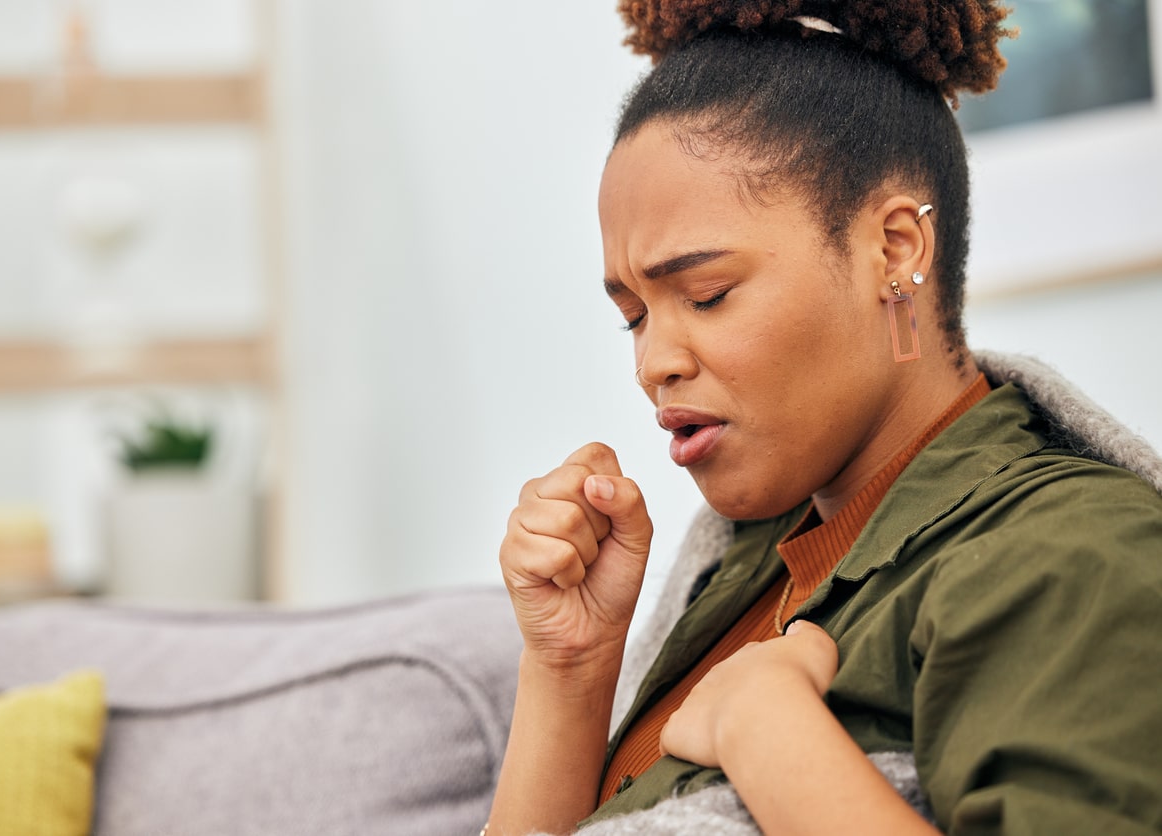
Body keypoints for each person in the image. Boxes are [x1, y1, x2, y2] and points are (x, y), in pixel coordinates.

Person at [484, 1, 1162, 834]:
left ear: (895, 251)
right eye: (633, 315)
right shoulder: (743, 571)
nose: (651, 362)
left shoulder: (1069, 554)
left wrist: (766, 728)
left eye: (707, 294)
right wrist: (570, 664)